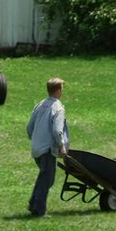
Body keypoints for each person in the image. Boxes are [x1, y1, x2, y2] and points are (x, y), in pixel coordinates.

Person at [26, 78, 69, 217]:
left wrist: (36, 139)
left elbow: (29, 127)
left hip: (36, 148)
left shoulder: (40, 105)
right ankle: (39, 210)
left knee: (45, 178)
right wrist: (62, 146)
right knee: (47, 180)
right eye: (61, 89)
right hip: (47, 150)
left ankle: (34, 204)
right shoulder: (58, 107)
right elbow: (57, 130)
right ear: (58, 91)